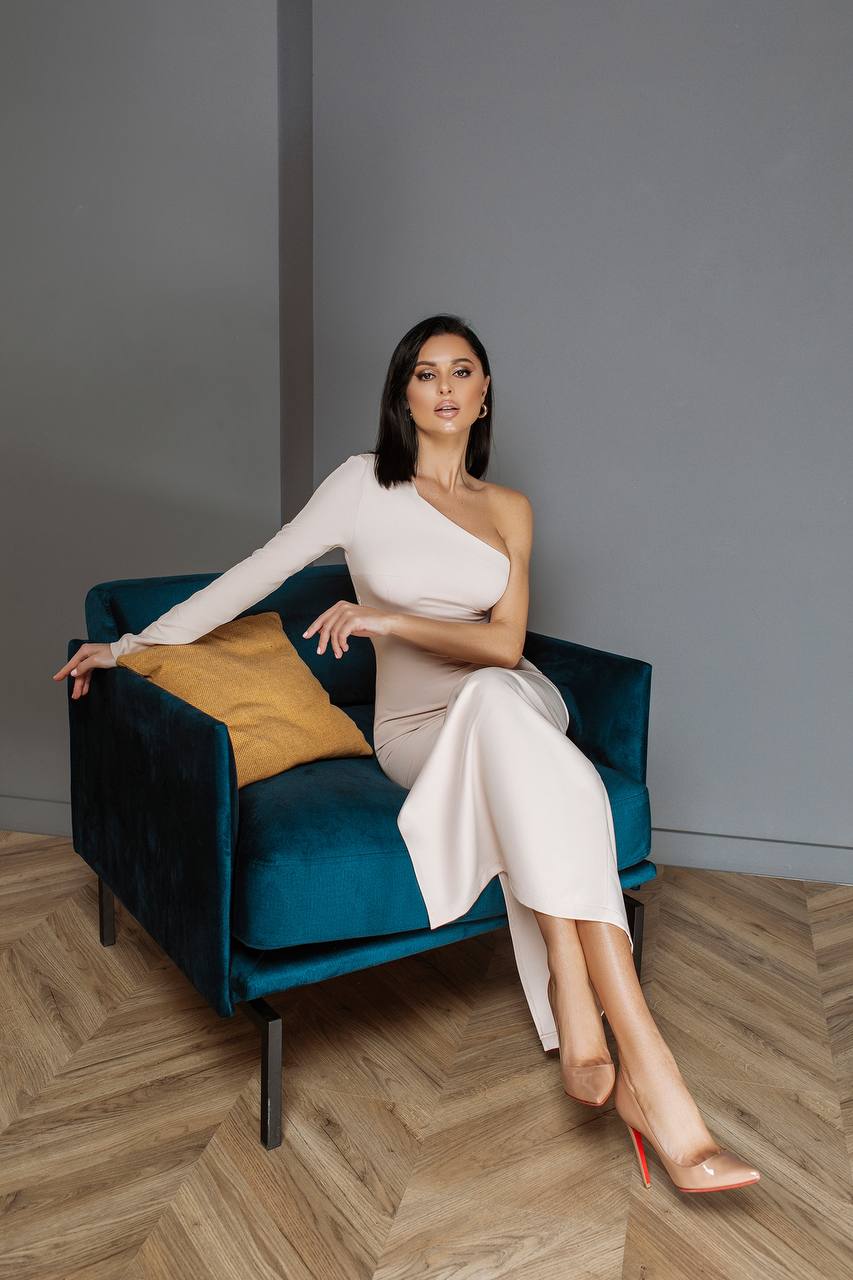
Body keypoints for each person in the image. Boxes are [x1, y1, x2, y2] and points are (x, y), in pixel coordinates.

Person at [53, 313, 760, 1193]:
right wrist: (129, 647)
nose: (445, 387)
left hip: (512, 700)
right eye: (426, 374)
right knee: (541, 765)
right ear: (403, 394)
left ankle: (612, 1040)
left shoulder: (509, 510)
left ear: (484, 393)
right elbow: (255, 574)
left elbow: (505, 648)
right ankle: (630, 1055)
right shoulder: (362, 486)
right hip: (417, 732)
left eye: (462, 371)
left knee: (500, 698)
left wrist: (386, 619)